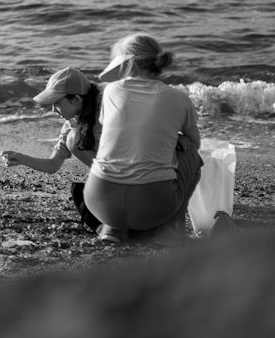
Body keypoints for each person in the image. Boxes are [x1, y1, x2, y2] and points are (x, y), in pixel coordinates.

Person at [83, 32, 202, 244]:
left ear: (128, 65)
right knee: (192, 155)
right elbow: (195, 144)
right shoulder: (179, 98)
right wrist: (173, 140)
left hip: (99, 200)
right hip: (152, 204)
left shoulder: (110, 91)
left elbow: (113, 131)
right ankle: (170, 230)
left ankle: (113, 230)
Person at [2, 67, 104, 232]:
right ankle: (103, 223)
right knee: (79, 191)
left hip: (132, 174)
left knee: (74, 139)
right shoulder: (71, 124)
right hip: (113, 179)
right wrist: (23, 159)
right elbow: (53, 165)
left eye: (57, 103)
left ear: (77, 100)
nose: (53, 109)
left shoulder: (107, 110)